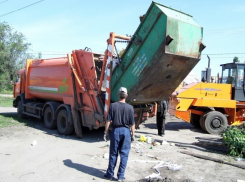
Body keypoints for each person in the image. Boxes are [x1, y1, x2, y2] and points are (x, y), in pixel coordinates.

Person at [104, 87, 135, 181]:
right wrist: (133, 135)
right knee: (124, 154)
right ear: (126, 96)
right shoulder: (130, 108)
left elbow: (108, 121)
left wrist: (105, 132)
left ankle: (110, 174)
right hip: (126, 132)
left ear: (118, 95)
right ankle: (120, 176)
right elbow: (132, 124)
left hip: (115, 131)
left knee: (113, 153)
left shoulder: (113, 106)